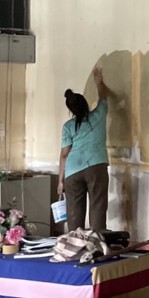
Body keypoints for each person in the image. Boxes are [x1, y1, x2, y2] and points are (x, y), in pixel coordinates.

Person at [58, 67, 111, 231]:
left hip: (73, 171)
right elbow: (103, 96)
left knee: (74, 212)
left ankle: (75, 241)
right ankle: (97, 239)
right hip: (96, 168)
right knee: (98, 207)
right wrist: (99, 82)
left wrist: (60, 181)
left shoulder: (68, 126)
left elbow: (64, 155)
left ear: (71, 110)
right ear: (85, 104)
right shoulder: (99, 115)